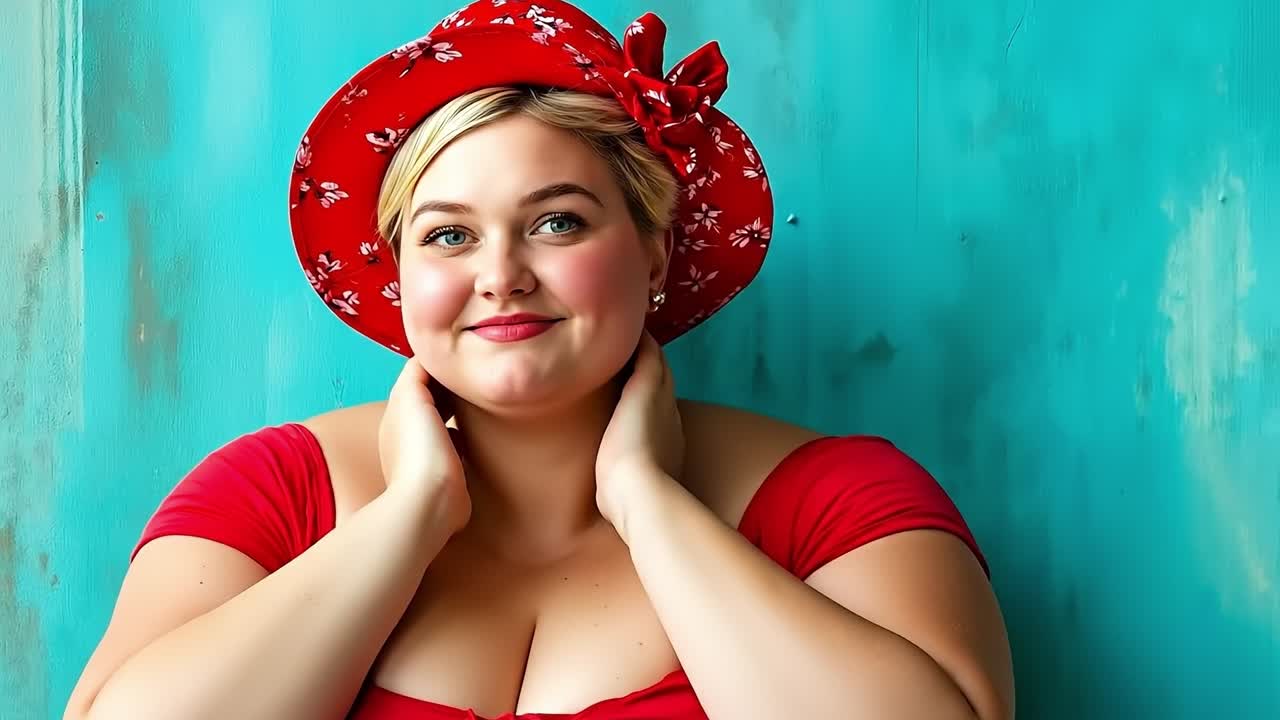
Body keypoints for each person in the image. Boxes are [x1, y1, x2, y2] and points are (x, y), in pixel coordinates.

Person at [65, 2, 1014, 718]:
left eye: (556, 221)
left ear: (654, 250)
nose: (501, 275)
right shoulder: (271, 494)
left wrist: (649, 502)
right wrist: (410, 516)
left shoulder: (839, 503)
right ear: (397, 274)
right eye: (447, 237)